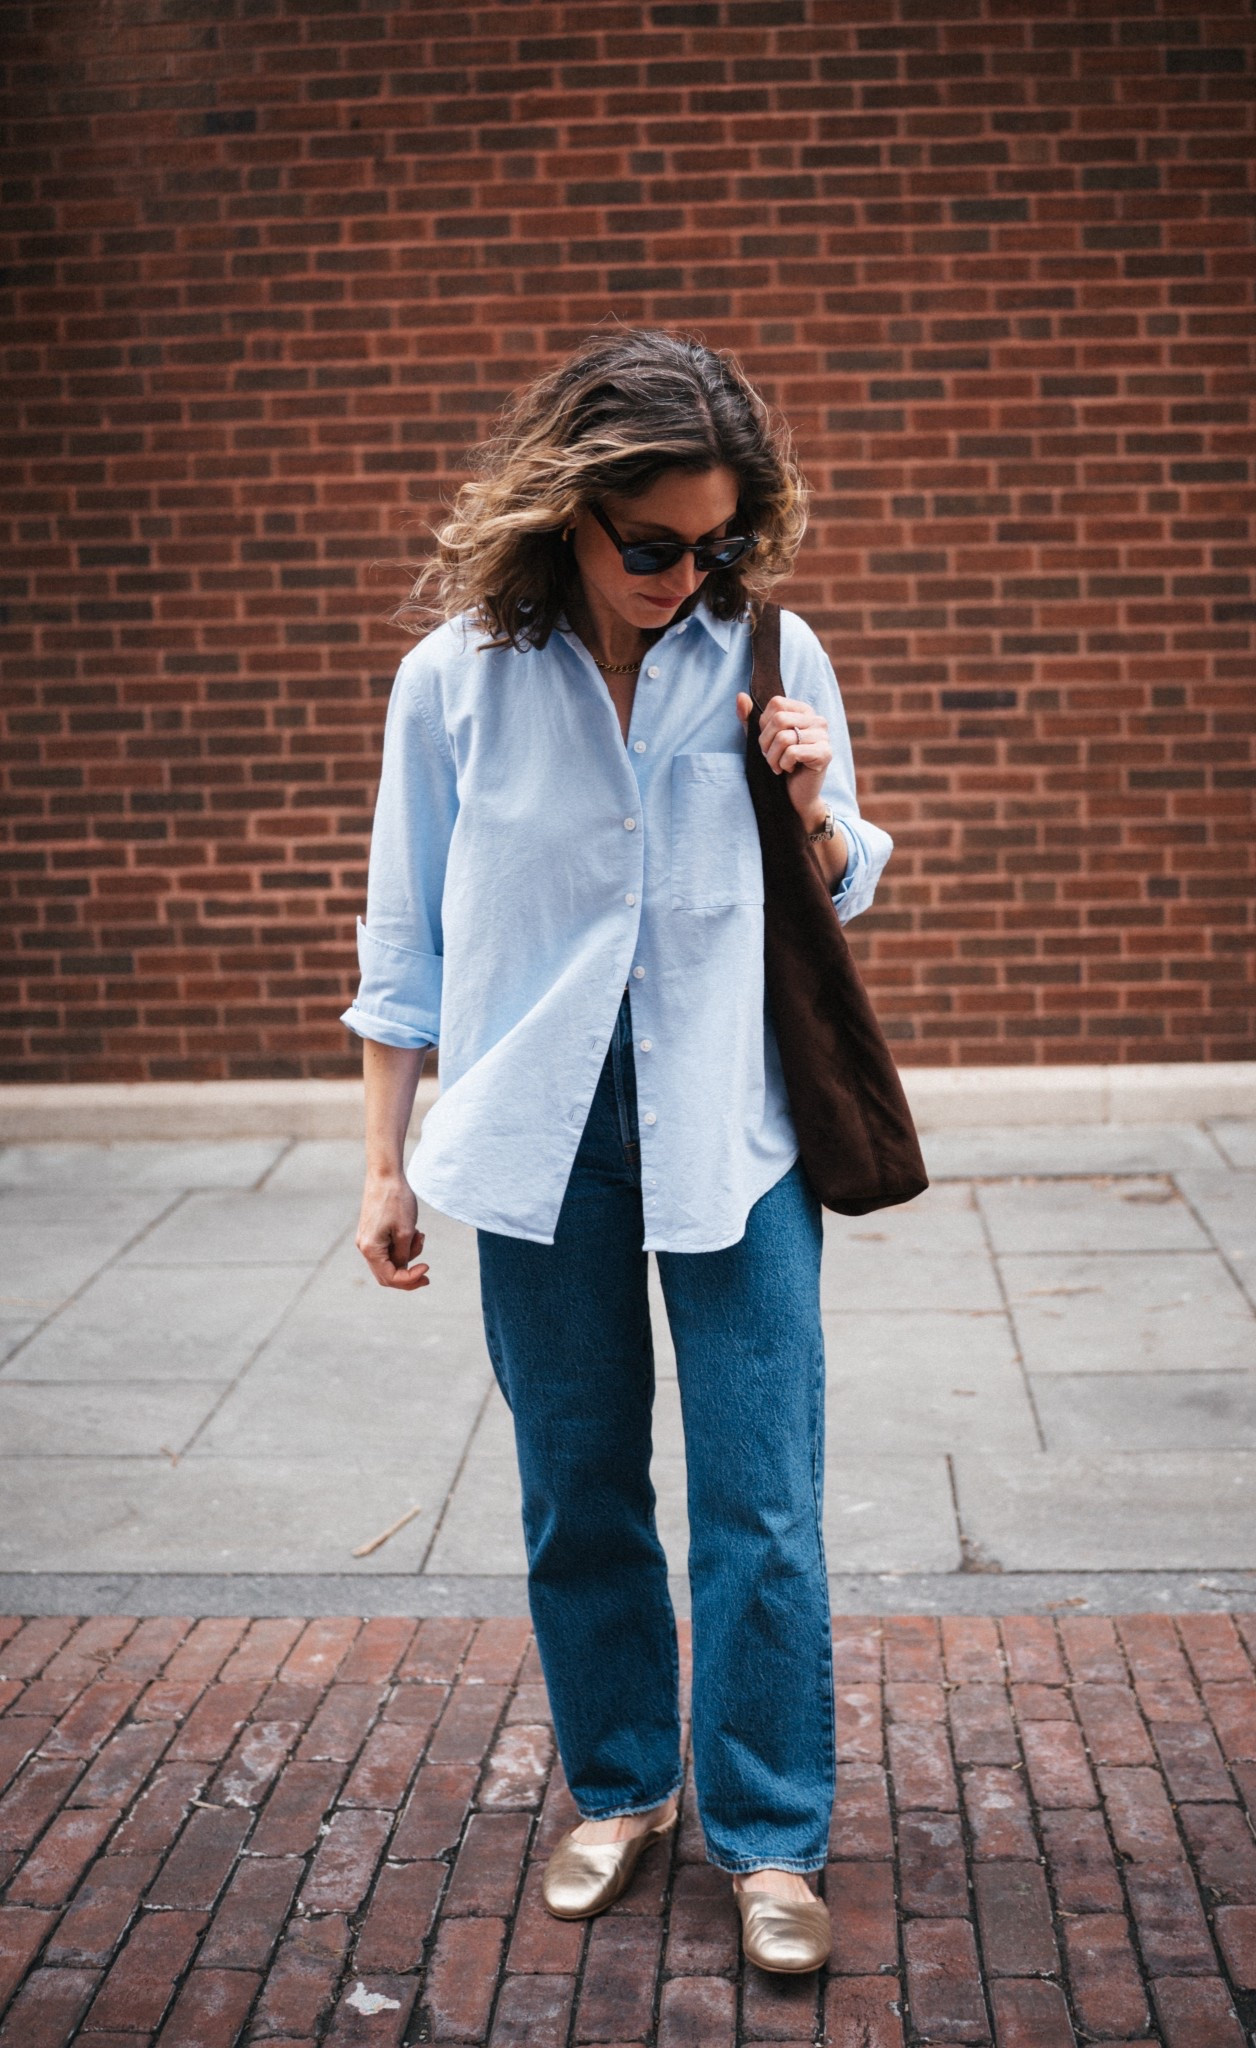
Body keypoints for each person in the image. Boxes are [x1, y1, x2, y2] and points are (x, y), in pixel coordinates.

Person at [342, 327, 893, 1974]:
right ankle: (623, 1789)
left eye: (715, 544)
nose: (682, 576)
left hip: (731, 1121)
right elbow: (403, 939)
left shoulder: (770, 651)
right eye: (650, 544)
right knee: (577, 1489)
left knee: (760, 1499)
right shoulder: (454, 679)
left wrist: (812, 798)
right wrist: (382, 1164)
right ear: (565, 509)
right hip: (539, 1135)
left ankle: (772, 1837)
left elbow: (844, 880)